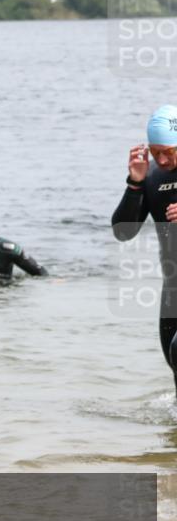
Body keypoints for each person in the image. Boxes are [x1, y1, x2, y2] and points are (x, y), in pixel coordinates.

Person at [111, 105, 177, 391]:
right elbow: (123, 232)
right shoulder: (151, 176)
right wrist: (135, 183)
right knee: (173, 362)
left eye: (168, 151)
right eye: (155, 151)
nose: (160, 159)